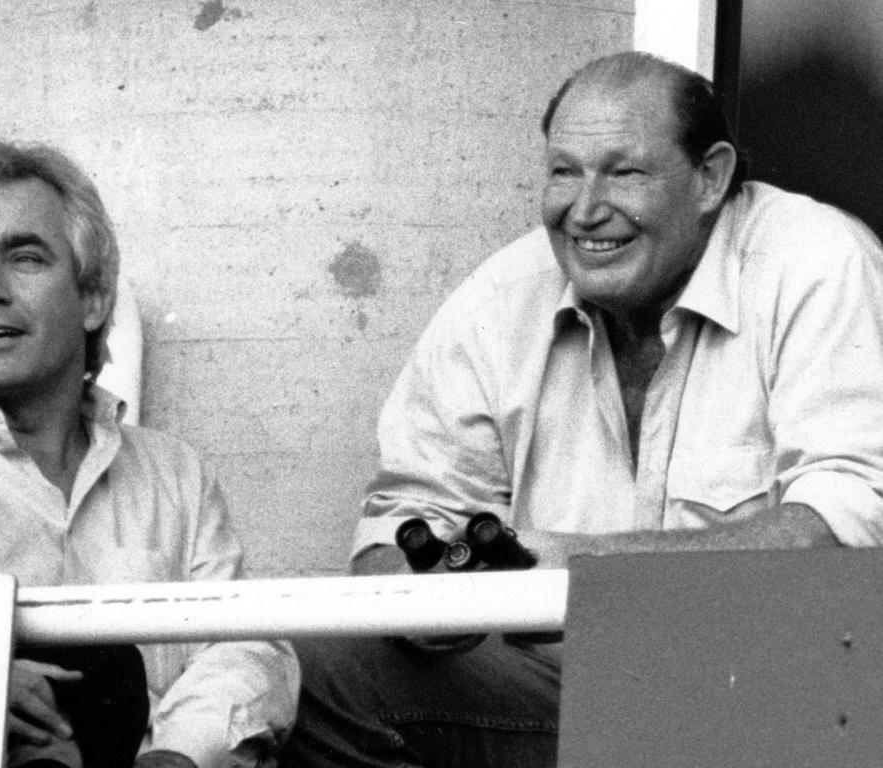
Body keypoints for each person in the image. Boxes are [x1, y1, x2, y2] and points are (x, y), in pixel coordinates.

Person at [277, 51, 883, 768]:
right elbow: (402, 516)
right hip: (573, 692)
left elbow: (847, 531)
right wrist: (422, 599)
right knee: (313, 666)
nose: (584, 209)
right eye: (564, 171)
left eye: (624, 172)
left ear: (711, 178)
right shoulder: (500, 296)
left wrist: (576, 567)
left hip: (783, 694)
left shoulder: (813, 261)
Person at [0, 141, 299, 768]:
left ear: (93, 298)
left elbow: (246, 650)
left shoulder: (175, 474)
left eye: (24, 258)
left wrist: (177, 759)